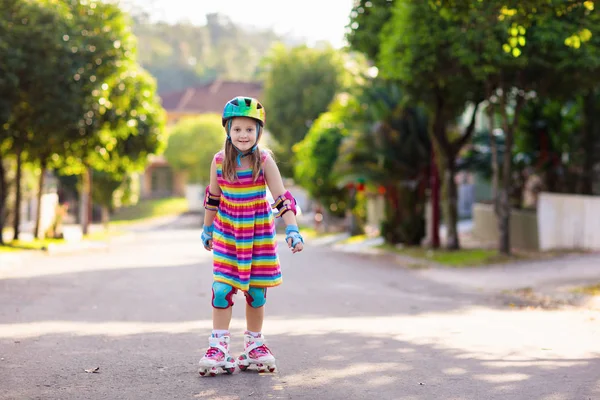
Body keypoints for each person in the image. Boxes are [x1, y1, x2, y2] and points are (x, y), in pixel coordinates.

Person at [198, 96, 304, 377]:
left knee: (256, 293)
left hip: (258, 237)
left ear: (258, 132)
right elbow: (213, 199)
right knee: (221, 289)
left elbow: (282, 197)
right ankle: (218, 346)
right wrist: (207, 228)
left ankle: (254, 344)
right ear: (228, 131)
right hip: (228, 234)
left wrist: (292, 228)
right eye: (237, 129)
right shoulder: (219, 161)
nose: (243, 135)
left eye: (249, 129)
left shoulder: (265, 160)